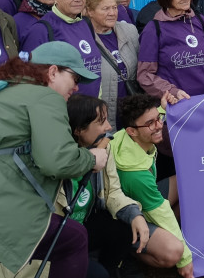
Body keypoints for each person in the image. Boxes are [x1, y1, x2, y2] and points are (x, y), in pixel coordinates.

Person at [0, 42, 103, 278]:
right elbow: (57, 161)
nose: (76, 87)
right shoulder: (44, 96)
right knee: (74, 239)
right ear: (53, 72)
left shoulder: (2, 89)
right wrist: (90, 158)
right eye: (75, 78)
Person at [58, 95, 157, 277]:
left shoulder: (105, 146)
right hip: (61, 235)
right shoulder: (55, 158)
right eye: (101, 121)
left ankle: (114, 268)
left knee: (123, 227)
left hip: (85, 226)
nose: (109, 127)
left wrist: (136, 215)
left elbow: (113, 192)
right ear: (79, 130)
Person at [110, 93, 194, 278]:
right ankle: (132, 252)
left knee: (188, 181)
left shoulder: (128, 136)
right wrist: (186, 259)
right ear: (132, 131)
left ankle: (169, 234)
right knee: (174, 251)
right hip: (126, 221)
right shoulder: (136, 176)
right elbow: (160, 210)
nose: (158, 126)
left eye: (159, 119)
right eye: (151, 123)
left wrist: (164, 108)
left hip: (144, 202)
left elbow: (149, 120)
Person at [21, 0, 104, 98]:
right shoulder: (41, 29)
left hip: (91, 109)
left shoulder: (85, 23)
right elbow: (31, 79)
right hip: (63, 111)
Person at [137, 0, 204, 99]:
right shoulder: (153, 29)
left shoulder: (200, 21)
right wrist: (172, 91)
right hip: (179, 102)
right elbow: (145, 75)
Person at [86, 0, 139, 126]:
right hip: (103, 116)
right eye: (105, 9)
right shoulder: (84, 38)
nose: (112, 13)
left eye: (114, 8)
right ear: (90, 11)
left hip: (132, 112)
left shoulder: (129, 31)